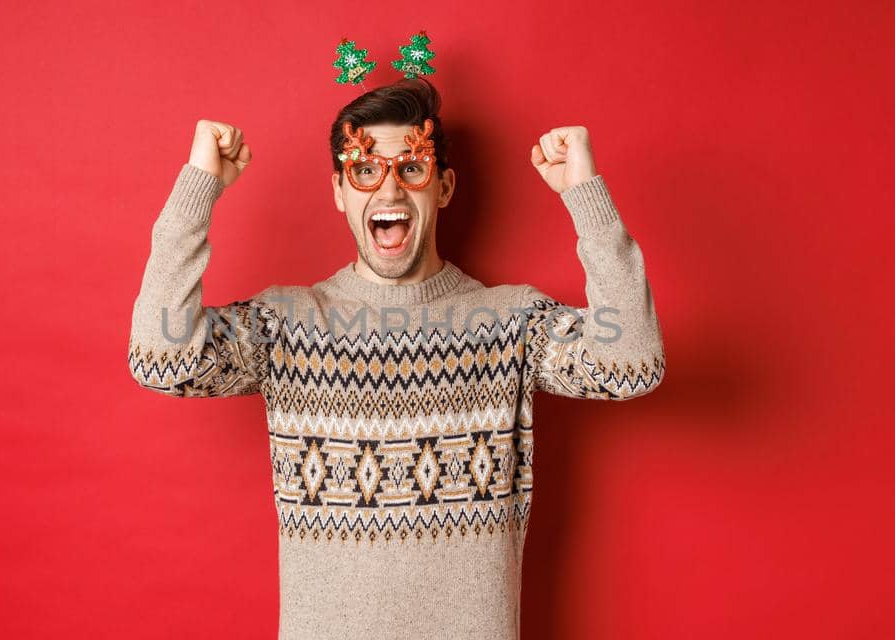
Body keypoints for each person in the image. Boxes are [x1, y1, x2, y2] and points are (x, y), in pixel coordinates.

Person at [128, 77, 666, 639]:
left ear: (444, 187)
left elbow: (633, 360)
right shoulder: (284, 324)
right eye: (365, 170)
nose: (388, 192)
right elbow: (161, 357)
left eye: (411, 168)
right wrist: (197, 189)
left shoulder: (511, 321)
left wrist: (586, 195)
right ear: (340, 190)